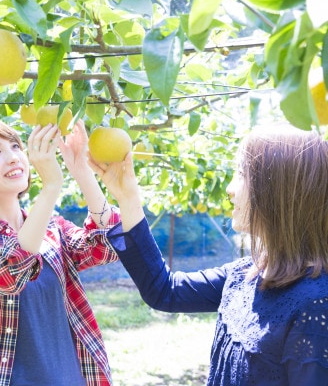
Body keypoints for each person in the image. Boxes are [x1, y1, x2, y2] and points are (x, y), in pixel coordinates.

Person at [89, 123, 328, 386]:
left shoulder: (315, 306)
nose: (230, 188)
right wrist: (127, 196)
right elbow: (164, 290)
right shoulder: (242, 276)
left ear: (276, 189)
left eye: (241, 173)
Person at [0, 117, 120, 386]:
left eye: (15, 146)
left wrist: (81, 170)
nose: (13, 157)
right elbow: (7, 276)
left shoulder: (52, 229)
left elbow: (111, 245)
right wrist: (50, 189)